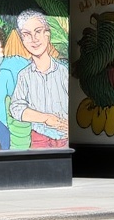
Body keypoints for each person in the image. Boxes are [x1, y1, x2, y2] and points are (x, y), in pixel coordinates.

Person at [9, 10, 69, 149]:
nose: (34, 39)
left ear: (47, 33)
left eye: (38, 31)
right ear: (22, 39)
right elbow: (16, 108)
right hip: (38, 138)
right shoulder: (24, 75)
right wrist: (46, 118)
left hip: (66, 137)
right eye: (27, 34)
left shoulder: (64, 71)